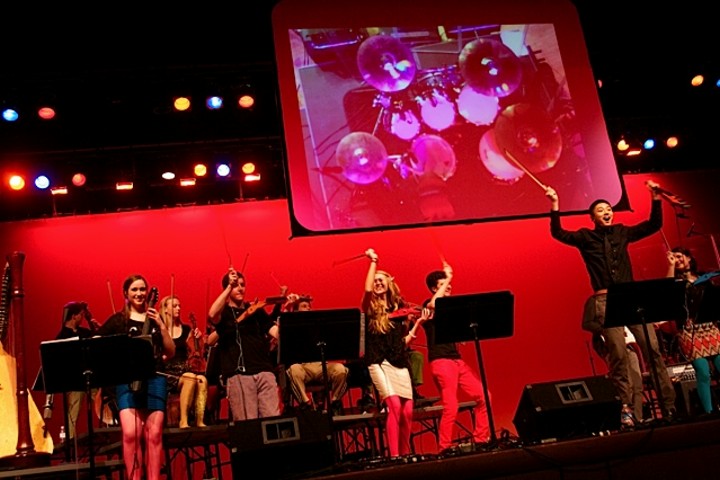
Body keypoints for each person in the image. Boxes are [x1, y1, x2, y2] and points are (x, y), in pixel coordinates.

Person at [545, 182, 677, 427]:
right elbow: (559, 233)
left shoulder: (621, 232)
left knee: (653, 350)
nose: (606, 212)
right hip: (605, 300)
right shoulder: (585, 237)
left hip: (631, 297)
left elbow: (653, 225)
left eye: (608, 209)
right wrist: (555, 203)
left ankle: (669, 406)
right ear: (593, 217)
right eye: (601, 210)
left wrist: (655, 197)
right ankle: (627, 409)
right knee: (618, 355)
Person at [96, 274, 175, 480]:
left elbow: (170, 351)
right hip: (127, 380)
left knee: (154, 435)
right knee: (131, 434)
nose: (139, 293)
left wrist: (161, 325)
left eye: (142, 289)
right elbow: (98, 343)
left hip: (154, 379)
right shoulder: (118, 320)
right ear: (126, 293)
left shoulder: (156, 319)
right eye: (134, 290)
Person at [418, 261, 491, 454]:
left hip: (456, 361)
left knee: (484, 397)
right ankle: (444, 447)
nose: (449, 286)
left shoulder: (449, 310)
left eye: (449, 283)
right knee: (451, 405)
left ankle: (481, 439)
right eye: (443, 284)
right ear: (434, 289)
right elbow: (434, 304)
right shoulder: (428, 305)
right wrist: (450, 275)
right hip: (441, 361)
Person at [362, 248, 421, 458]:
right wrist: (374, 262)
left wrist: (417, 325)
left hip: (399, 362)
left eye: (381, 279)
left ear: (389, 283)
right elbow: (367, 289)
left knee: (407, 411)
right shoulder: (369, 309)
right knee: (394, 406)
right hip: (378, 362)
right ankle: (395, 457)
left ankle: (405, 455)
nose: (378, 282)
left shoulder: (399, 309)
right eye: (376, 280)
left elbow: (401, 342)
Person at [207, 267, 280, 421]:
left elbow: (275, 332)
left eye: (242, 285)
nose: (240, 288)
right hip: (239, 374)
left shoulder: (255, 310)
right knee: (248, 424)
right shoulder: (224, 313)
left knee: (272, 422)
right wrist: (229, 286)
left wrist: (290, 309)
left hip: (264, 371)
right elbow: (212, 314)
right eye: (236, 285)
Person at [667, 246, 720, 414]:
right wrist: (670, 265)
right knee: (703, 372)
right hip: (689, 332)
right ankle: (709, 413)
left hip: (710, 328)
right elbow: (666, 289)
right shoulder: (676, 282)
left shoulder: (704, 278)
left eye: (680, 256)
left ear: (689, 257)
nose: (677, 260)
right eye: (674, 257)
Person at [284, 294, 348, 415]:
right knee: (293, 370)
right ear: (297, 310)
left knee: (340, 370)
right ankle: (306, 404)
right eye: (304, 306)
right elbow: (284, 324)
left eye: (309, 306)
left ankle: (335, 403)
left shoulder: (319, 325)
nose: (308, 308)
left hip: (320, 365)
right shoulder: (292, 326)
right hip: (303, 367)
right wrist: (288, 307)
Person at [53, 301, 101, 439]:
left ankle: (110, 430)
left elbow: (98, 340)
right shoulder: (62, 337)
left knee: (103, 404)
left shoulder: (84, 332)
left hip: (90, 377)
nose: (82, 317)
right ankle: (69, 441)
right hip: (74, 381)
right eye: (81, 314)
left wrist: (94, 325)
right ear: (74, 316)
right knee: (73, 412)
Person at [159, 295, 208, 428]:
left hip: (185, 369)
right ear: (165, 309)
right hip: (168, 372)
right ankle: (184, 421)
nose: (178, 308)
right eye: (174, 306)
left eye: (179, 305)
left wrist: (197, 339)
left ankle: (199, 420)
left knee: (202, 380)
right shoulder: (160, 330)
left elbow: (192, 349)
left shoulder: (186, 329)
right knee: (190, 378)